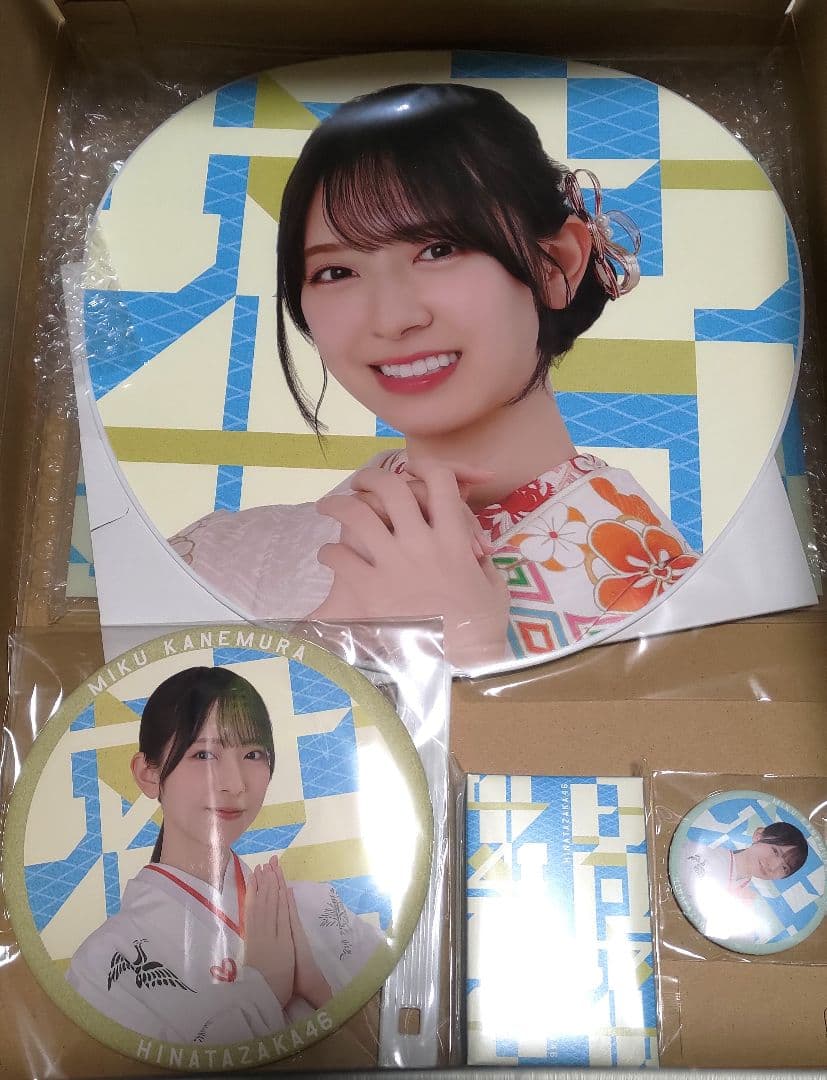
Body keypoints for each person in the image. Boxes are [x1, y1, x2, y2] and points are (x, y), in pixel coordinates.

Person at [169, 83, 698, 668]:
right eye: (336, 271)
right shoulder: (219, 556)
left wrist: (461, 655)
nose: (393, 318)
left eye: (440, 250)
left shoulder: (688, 610)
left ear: (557, 265)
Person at [67, 667, 385, 1045]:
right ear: (149, 774)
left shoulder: (315, 906)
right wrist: (265, 987)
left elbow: (410, 1030)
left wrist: (315, 983)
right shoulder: (105, 962)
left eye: (252, 754)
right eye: (203, 754)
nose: (234, 784)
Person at [677, 822, 810, 943]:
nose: (773, 866)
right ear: (758, 835)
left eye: (784, 868)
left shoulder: (748, 907)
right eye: (775, 851)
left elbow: (736, 944)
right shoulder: (694, 852)